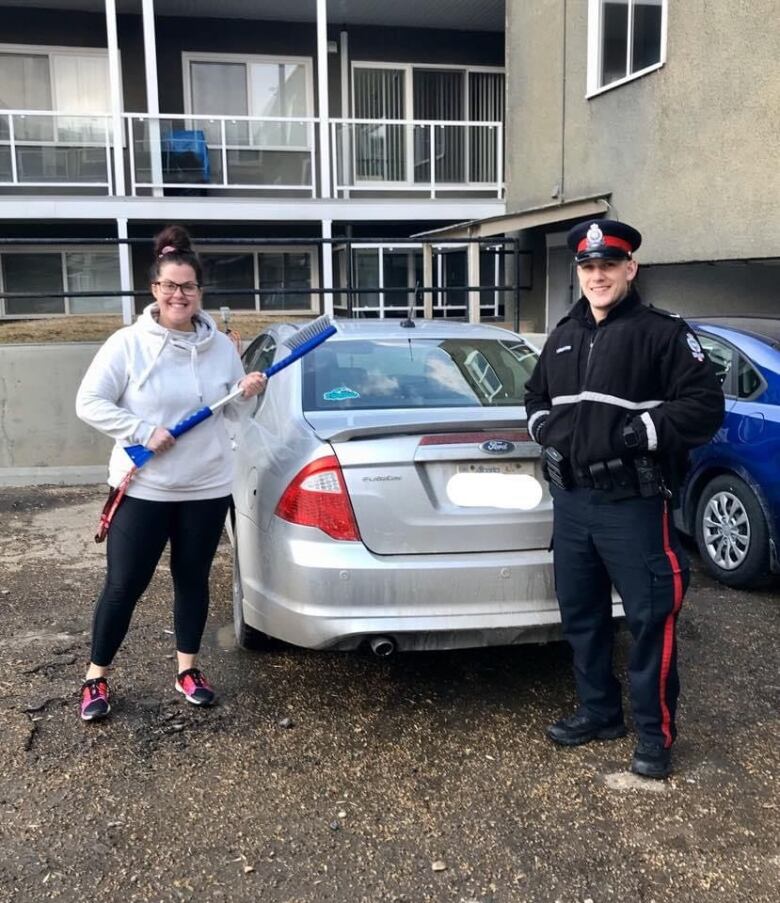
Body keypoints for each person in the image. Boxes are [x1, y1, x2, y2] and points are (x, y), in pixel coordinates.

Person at [524, 219, 724, 778]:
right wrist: (547, 433)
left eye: (608, 265)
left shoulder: (662, 333)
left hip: (632, 507)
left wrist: (641, 433)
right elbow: (535, 395)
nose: (597, 275)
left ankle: (655, 735)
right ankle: (599, 713)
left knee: (650, 619)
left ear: (630, 269)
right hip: (572, 505)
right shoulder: (563, 333)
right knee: (581, 617)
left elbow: (704, 408)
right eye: (588, 267)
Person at [75, 225, 267, 722]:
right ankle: (95, 678)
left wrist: (248, 393)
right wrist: (142, 429)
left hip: (205, 487)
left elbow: (231, 416)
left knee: (193, 580)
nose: (179, 295)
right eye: (170, 286)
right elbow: (88, 403)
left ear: (200, 292)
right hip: (145, 488)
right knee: (124, 585)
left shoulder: (221, 346)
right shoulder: (128, 344)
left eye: (188, 287)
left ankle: (188, 670)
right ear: (154, 290)